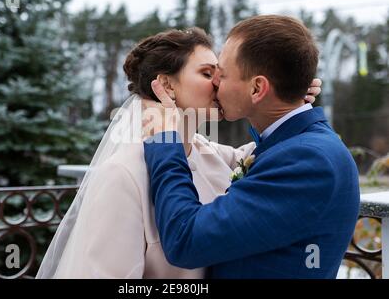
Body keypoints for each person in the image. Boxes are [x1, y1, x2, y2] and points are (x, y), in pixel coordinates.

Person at [36, 27, 321, 278]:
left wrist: (289, 98)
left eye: (221, 74)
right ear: (167, 85)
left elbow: (270, 153)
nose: (219, 83)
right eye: (207, 73)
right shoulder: (122, 175)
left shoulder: (213, 155)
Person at [142, 15, 360, 279]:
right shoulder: (295, 143)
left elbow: (186, 240)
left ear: (258, 88)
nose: (214, 84)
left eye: (221, 74)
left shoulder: (308, 159)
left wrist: (166, 142)